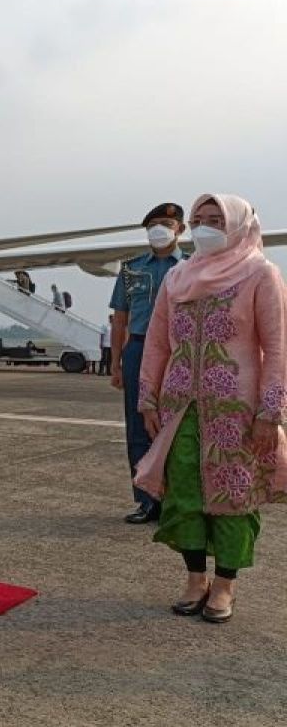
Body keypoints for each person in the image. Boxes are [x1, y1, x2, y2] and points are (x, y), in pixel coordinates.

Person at [133, 194, 286, 623]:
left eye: (216, 219)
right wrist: (148, 397)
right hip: (180, 408)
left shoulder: (261, 274)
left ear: (238, 223)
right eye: (198, 219)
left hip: (238, 410)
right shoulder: (178, 277)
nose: (205, 226)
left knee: (233, 496)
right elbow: (158, 344)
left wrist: (270, 412)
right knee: (184, 494)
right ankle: (195, 579)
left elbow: (276, 349)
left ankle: (225, 586)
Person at [110, 202, 188, 524]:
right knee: (139, 427)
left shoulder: (193, 266)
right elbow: (120, 319)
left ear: (180, 229)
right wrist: (115, 363)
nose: (158, 229)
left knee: (178, 427)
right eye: (153, 224)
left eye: (166, 223)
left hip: (178, 352)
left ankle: (178, 502)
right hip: (139, 350)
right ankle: (146, 501)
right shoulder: (130, 269)